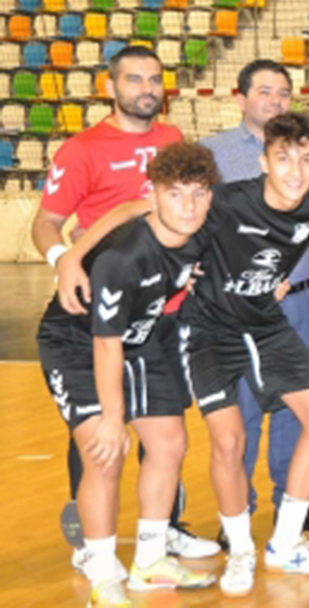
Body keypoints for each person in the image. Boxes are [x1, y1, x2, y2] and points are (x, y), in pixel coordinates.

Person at [68, 114, 309, 593]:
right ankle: (240, 549)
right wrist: (71, 259)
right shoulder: (223, 202)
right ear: (264, 161)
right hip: (209, 329)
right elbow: (138, 209)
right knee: (228, 440)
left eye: (306, 160)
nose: (295, 171)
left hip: (265, 323)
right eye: (283, 159)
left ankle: (285, 543)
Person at [32, 45, 218, 569]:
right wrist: (66, 259)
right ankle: (96, 549)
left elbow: (152, 211)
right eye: (134, 79)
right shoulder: (81, 149)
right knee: (101, 440)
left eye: (155, 79)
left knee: (167, 438)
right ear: (111, 86)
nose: (146, 89)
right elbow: (50, 221)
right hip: (97, 307)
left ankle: (160, 540)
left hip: (159, 314)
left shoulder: (173, 141)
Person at [200, 60, 309, 535]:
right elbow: (183, 217)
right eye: (265, 91)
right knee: (241, 412)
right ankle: (236, 514)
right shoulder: (213, 153)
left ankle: (293, 506)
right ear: (239, 98)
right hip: (236, 306)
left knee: (296, 411)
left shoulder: (304, 154)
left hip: (298, 298)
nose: (276, 100)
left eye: (283, 92)